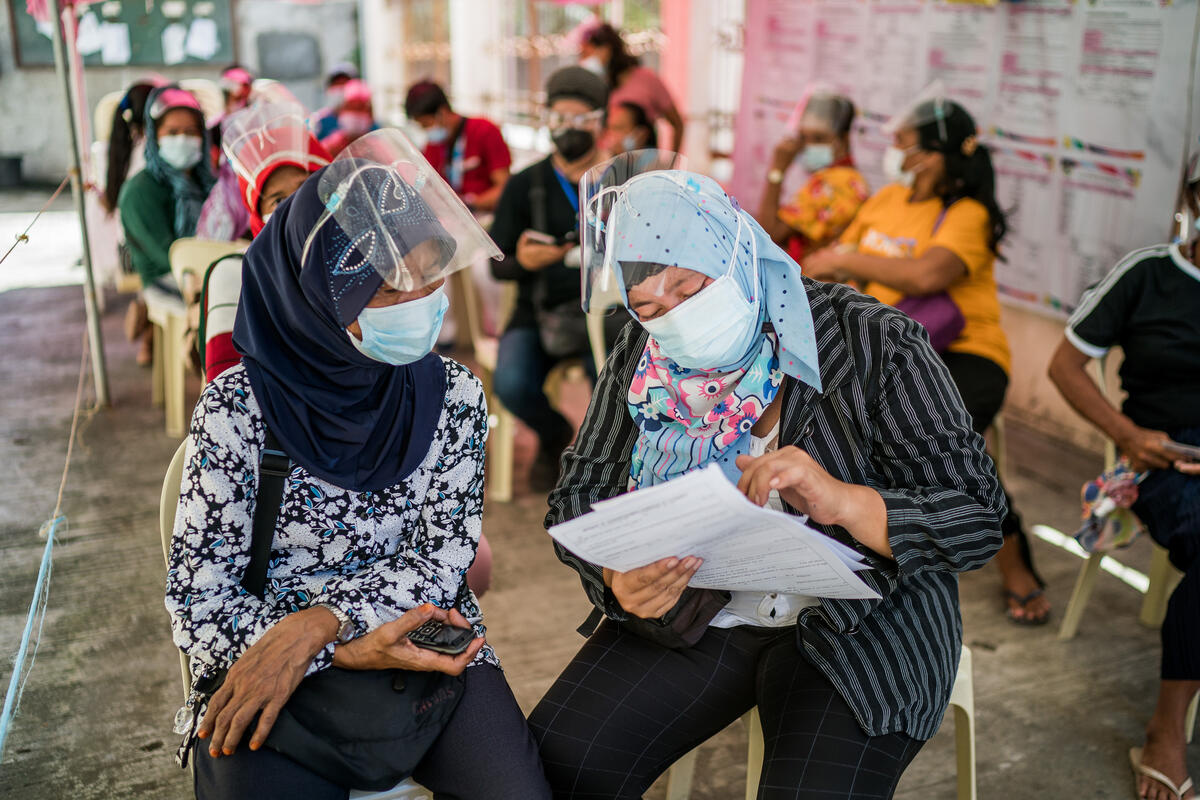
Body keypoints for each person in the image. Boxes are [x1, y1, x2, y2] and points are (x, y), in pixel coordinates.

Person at [530, 163, 1005, 798]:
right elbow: (578, 497)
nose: (673, 317)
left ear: (735, 252)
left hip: (861, 625)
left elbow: (977, 515)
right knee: (555, 764)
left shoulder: (872, 341)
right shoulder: (644, 360)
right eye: (648, 305)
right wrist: (617, 578)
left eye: (690, 287)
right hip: (699, 610)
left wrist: (844, 501)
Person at [165, 130, 549, 799]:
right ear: (319, 298)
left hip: (421, 643)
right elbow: (199, 604)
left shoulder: (451, 394)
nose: (423, 302)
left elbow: (442, 558)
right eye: (389, 288)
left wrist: (324, 624)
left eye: (430, 274)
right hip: (267, 665)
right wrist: (334, 652)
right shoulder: (238, 410)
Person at [803, 96, 1048, 625]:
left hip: (964, 353)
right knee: (835, 424)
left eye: (905, 141)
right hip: (882, 350)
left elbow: (925, 277)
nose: (895, 150)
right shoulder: (888, 198)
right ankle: (853, 554)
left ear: (934, 153)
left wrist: (846, 258)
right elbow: (830, 269)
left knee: (933, 440)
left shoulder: (968, 214)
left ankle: (1008, 560)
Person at [1047, 166, 1200, 800]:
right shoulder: (1148, 274)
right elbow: (1064, 366)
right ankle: (1167, 730)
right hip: (1165, 461)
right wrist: (1130, 436)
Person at [488, 66, 609, 491]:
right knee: (512, 384)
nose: (568, 130)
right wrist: (524, 261)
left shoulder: (621, 181)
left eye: (580, 121)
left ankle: (604, 462)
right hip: (537, 312)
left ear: (600, 122)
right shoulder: (526, 184)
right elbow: (497, 263)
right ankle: (553, 433)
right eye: (559, 120)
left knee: (617, 383)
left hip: (607, 313)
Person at [118, 86, 217, 364]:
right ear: (154, 136)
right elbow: (167, 256)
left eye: (191, 132)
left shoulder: (206, 182)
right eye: (172, 132)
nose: (183, 139)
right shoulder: (140, 190)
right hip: (164, 278)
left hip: (205, 272)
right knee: (226, 306)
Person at [755, 89, 870, 264]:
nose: (808, 145)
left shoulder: (833, 183)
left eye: (818, 138)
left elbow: (768, 234)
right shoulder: (853, 180)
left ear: (844, 139)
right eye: (803, 137)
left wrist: (777, 169)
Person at [405, 80, 511, 212]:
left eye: (426, 124)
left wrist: (471, 205)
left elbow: (505, 188)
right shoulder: (433, 146)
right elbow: (425, 184)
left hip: (484, 217)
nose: (427, 131)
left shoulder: (485, 131)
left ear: (442, 113)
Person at [579, 20, 684, 152]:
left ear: (606, 50)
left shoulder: (646, 79)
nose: (583, 60)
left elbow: (677, 123)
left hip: (645, 164)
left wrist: (671, 166)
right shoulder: (595, 85)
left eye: (586, 54)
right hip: (608, 164)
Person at [320, 79, 379, 158]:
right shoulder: (331, 145)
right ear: (341, 109)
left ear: (370, 113)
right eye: (350, 107)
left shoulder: (377, 147)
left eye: (360, 108)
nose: (355, 114)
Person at [311, 62, 360, 142]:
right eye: (336, 84)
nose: (341, 88)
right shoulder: (318, 122)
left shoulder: (365, 121)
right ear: (328, 89)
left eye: (345, 83)